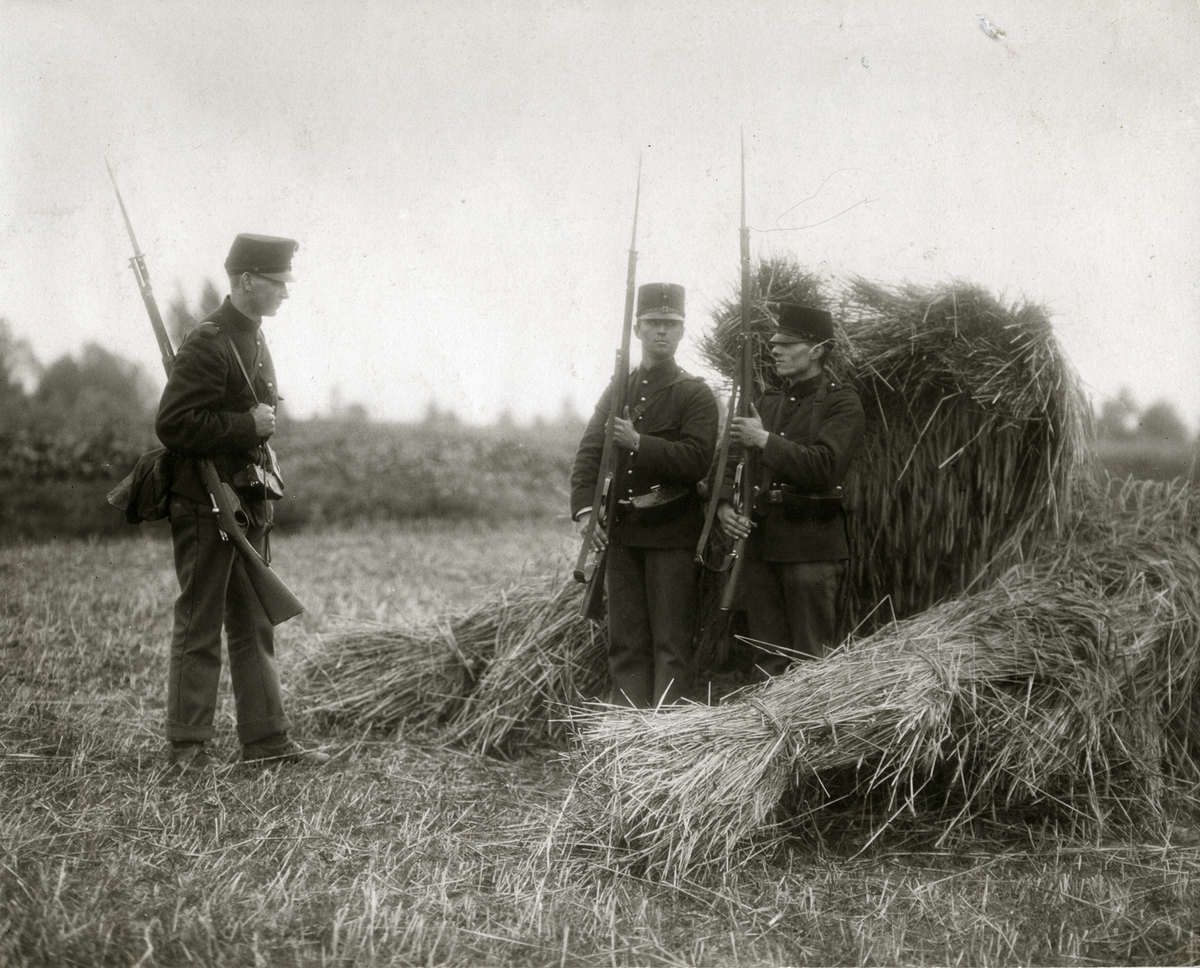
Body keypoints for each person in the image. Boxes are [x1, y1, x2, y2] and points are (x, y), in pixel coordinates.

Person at [155, 233, 328, 768]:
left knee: (253, 618)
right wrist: (245, 423)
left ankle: (266, 741)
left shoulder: (252, 336)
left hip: (245, 499)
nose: (286, 294)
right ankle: (188, 746)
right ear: (247, 281)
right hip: (205, 500)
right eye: (279, 284)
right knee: (201, 617)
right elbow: (174, 424)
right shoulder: (209, 340)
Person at [571, 282, 719, 707]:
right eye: (653, 323)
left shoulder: (695, 393)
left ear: (682, 332)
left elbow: (697, 460)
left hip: (672, 535)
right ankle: (628, 734)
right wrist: (585, 512)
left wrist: (639, 442)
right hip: (623, 533)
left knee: (670, 642)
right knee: (626, 641)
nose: (662, 332)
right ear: (636, 328)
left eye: (671, 325)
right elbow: (590, 452)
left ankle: (664, 740)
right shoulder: (618, 390)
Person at [717, 303, 865, 677]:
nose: (776, 350)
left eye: (788, 344)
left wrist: (764, 440)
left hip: (811, 548)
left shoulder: (841, 401)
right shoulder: (767, 401)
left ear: (817, 350)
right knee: (768, 659)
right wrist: (722, 506)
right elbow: (727, 457)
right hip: (762, 545)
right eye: (775, 344)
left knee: (812, 662)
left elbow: (824, 466)